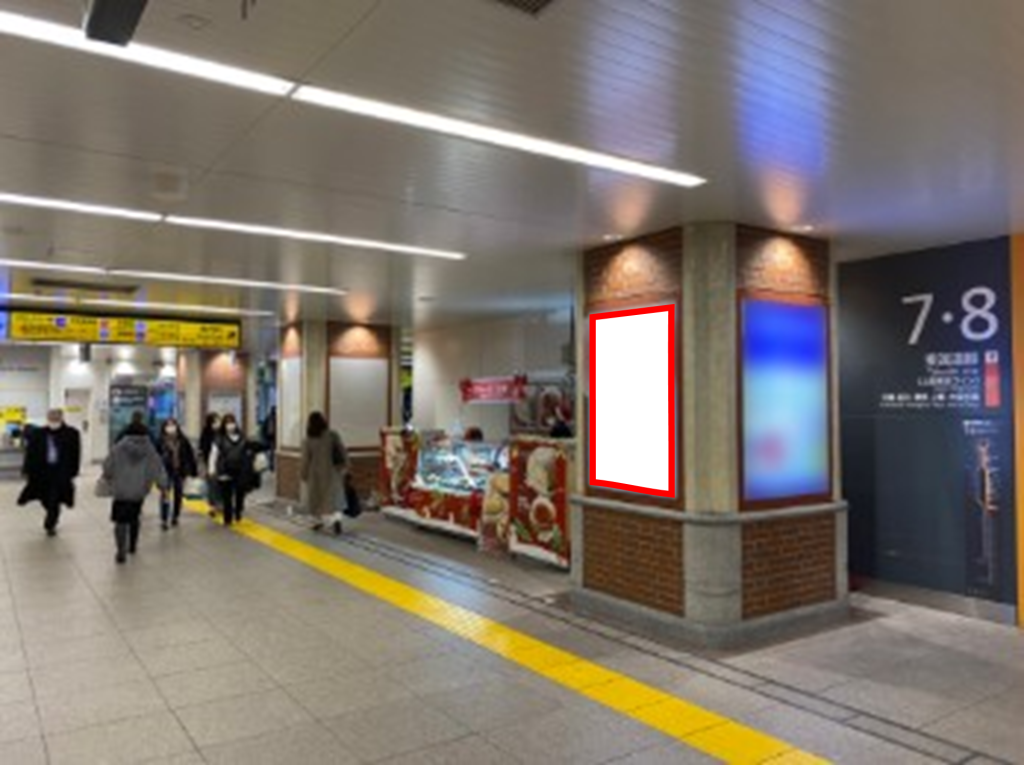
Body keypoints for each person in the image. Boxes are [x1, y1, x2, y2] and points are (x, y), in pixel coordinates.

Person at [102, 420, 168, 564]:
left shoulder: (118, 448)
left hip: (120, 490)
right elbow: (157, 469)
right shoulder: (150, 450)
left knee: (120, 520)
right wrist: (162, 485)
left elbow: (107, 466)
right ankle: (132, 545)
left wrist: (109, 476)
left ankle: (120, 550)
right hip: (139, 490)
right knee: (134, 517)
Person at [18, 409, 81, 536]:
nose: (53, 421)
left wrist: (74, 471)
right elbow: (30, 454)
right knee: (44, 498)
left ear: (61, 418)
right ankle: (53, 512)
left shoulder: (71, 433)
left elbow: (76, 453)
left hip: (60, 472)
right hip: (42, 473)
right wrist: (26, 470)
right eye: (51, 418)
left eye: (56, 418)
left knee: (54, 498)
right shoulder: (39, 434)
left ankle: (50, 523)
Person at [300, 411, 347, 536]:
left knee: (316, 499)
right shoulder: (332, 435)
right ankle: (337, 520)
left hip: (315, 475)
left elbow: (305, 460)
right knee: (334, 499)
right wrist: (345, 467)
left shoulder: (308, 440)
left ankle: (318, 521)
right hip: (332, 472)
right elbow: (342, 451)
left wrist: (303, 474)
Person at [208, 413, 255, 526]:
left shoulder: (242, 437)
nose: (230, 425)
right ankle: (227, 518)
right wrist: (211, 468)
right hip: (224, 470)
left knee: (240, 493)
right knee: (227, 496)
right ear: (224, 425)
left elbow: (249, 449)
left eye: (232, 423)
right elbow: (213, 454)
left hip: (240, 470)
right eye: (228, 423)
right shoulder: (219, 439)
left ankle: (238, 511)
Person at [157, 417, 198, 530]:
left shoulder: (183, 440)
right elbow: (155, 456)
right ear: (164, 428)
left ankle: (175, 515)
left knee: (178, 494)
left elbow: (190, 455)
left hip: (179, 471)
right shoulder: (160, 441)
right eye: (168, 425)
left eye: (173, 425)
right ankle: (164, 519)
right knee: (165, 494)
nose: (171, 428)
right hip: (165, 472)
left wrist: (193, 471)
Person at [199, 412, 222, 517]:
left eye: (218, 421)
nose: (217, 423)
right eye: (215, 421)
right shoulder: (206, 433)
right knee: (212, 485)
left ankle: (221, 504)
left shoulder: (222, 433)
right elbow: (202, 448)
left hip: (222, 463)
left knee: (221, 484)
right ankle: (213, 506)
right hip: (209, 463)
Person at [260, 406, 277, 472]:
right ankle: (271, 465)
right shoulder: (273, 418)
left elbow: (263, 428)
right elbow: (264, 428)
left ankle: (271, 465)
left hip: (271, 437)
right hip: (272, 438)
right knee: (271, 453)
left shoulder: (269, 418)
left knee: (271, 453)